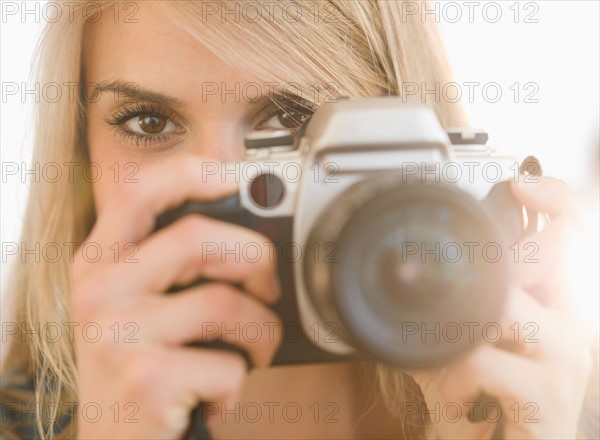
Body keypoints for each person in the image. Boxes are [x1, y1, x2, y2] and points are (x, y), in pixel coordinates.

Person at [1, 1, 597, 439]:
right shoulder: (18, 418)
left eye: (290, 119)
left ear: (397, 140)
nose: (221, 181)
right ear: (79, 153)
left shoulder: (562, 401)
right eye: (148, 123)